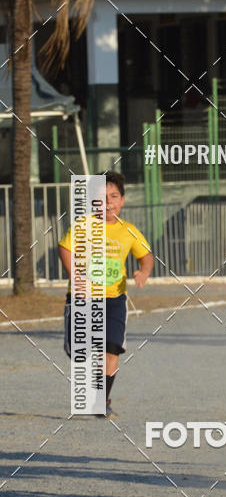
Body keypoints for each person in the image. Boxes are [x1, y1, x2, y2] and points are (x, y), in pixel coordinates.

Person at [58, 171, 154, 418]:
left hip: (114, 299)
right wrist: (76, 277)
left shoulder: (128, 231)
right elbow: (64, 248)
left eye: (113, 197)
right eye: (102, 198)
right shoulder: (83, 226)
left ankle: (102, 400)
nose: (108, 203)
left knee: (111, 348)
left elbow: (146, 256)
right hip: (83, 298)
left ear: (122, 200)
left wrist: (144, 272)